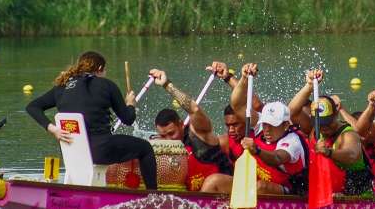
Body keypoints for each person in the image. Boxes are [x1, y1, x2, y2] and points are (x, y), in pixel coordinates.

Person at [25, 51, 158, 189]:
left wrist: (54, 130)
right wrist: (130, 104)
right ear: (99, 68)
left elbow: (32, 107)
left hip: (72, 153)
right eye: (105, 70)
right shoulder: (107, 85)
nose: (105, 73)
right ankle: (153, 195)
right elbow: (128, 119)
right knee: (146, 148)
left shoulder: (62, 86)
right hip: (100, 151)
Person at [203, 64, 309, 195]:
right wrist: (243, 78)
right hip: (254, 188)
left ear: (286, 125)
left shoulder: (292, 141)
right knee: (213, 181)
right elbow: (237, 104)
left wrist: (257, 150)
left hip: (291, 192)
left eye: (273, 125)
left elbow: (277, 158)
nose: (267, 129)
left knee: (261, 187)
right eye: (265, 124)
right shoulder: (261, 125)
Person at [287, 70, 373, 197]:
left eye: (328, 122)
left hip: (356, 193)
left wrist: (328, 152)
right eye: (321, 123)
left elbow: (352, 155)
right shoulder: (314, 128)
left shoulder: (348, 134)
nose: (325, 127)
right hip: (327, 190)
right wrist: (309, 86)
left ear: (336, 114)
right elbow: (291, 112)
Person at [149, 69, 233, 191]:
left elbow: (194, 109)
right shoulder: (160, 148)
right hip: (196, 197)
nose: (168, 140)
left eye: (171, 133)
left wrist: (167, 85)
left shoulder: (198, 133)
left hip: (224, 188)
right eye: (163, 136)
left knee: (211, 182)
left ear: (181, 124)